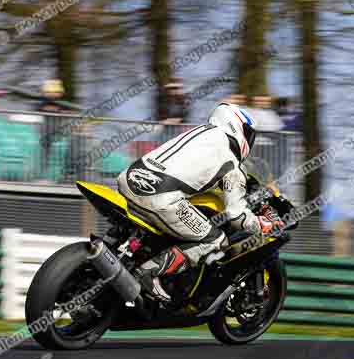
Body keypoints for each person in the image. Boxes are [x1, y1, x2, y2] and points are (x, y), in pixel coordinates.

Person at [116, 102, 285, 302]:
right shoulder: (231, 161)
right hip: (159, 198)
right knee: (215, 240)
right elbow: (235, 215)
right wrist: (261, 224)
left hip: (128, 178)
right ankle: (149, 272)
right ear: (237, 128)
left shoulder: (197, 133)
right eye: (248, 134)